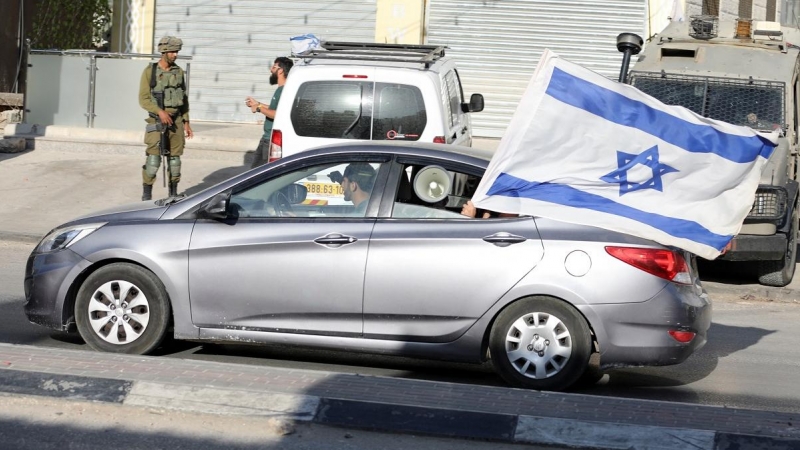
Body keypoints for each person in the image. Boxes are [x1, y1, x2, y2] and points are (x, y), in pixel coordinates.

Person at [139, 36, 193, 201]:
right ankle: (147, 195)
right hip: (157, 121)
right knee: (153, 161)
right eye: (172, 52)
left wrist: (186, 121)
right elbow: (144, 99)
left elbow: (183, 98)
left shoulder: (178, 72)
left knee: (175, 161)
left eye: (176, 52)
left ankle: (173, 194)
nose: (175, 55)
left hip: (176, 121)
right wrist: (160, 112)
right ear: (163, 51)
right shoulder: (151, 71)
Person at [246, 56, 293, 168]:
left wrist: (259, 108)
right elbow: (274, 108)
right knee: (256, 173)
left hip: (271, 140)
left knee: (258, 175)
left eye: (274, 67)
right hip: (267, 138)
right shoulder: (281, 89)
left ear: (280, 70)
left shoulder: (284, 90)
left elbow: (278, 114)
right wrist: (258, 104)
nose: (271, 70)